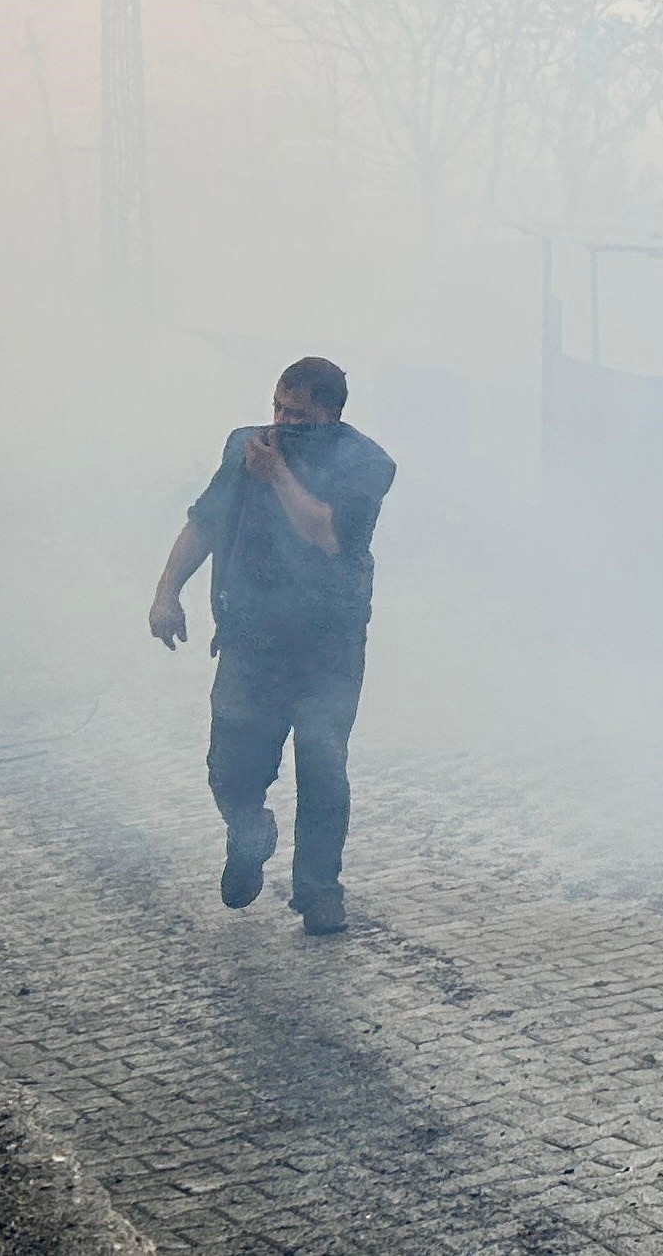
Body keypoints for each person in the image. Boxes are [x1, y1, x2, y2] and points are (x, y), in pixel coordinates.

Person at [145, 357, 395, 934]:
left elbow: (325, 533)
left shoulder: (365, 464)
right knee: (230, 767)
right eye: (278, 407)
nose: (283, 421)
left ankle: (320, 891)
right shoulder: (247, 446)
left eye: (299, 414)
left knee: (324, 768)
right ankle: (248, 830)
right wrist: (166, 591)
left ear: (332, 413)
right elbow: (206, 521)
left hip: (327, 645)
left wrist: (278, 474)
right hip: (250, 638)